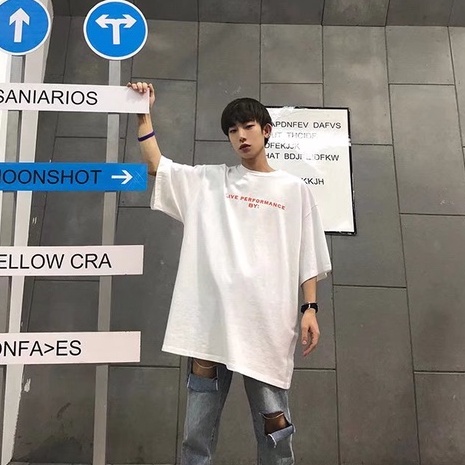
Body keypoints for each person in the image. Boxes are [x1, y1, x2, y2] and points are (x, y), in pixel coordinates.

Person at [128, 81, 332, 465]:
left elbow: (308, 255)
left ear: (266, 130)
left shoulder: (294, 190)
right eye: (233, 130)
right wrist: (143, 116)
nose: (241, 136)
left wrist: (310, 309)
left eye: (248, 127)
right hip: (210, 326)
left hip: (266, 328)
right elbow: (157, 167)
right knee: (197, 431)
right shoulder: (210, 182)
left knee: (275, 428)